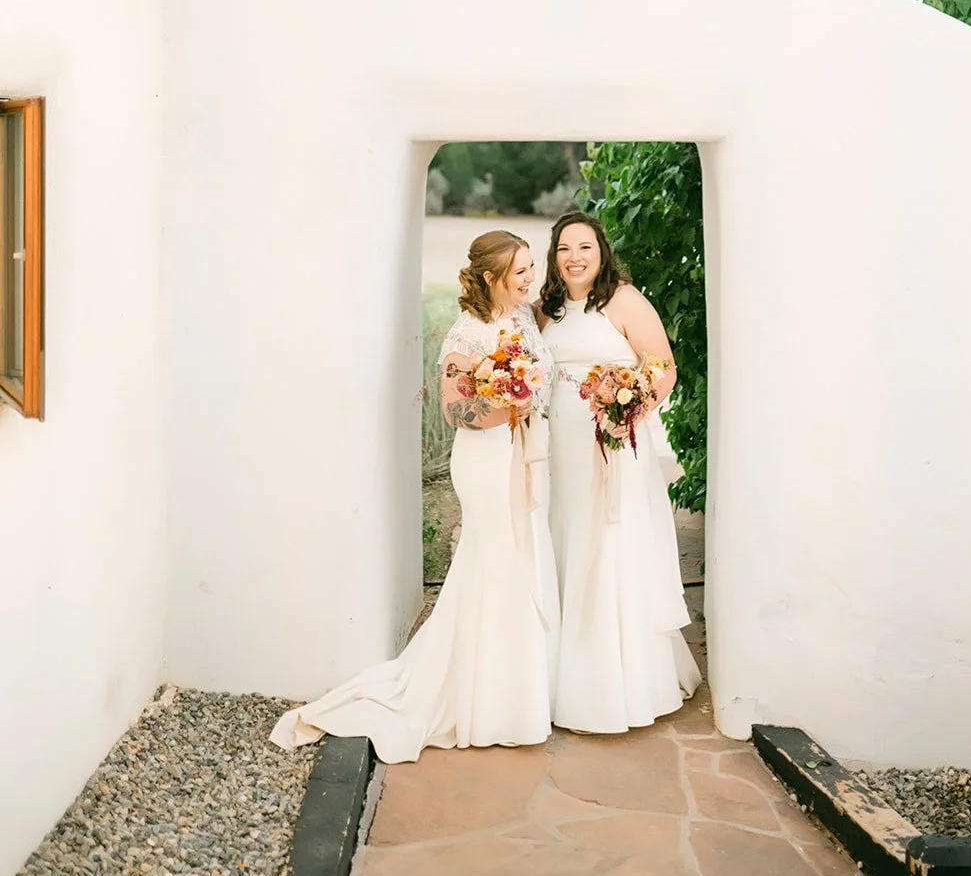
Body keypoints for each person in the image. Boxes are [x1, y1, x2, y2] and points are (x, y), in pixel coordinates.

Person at [270, 230, 559, 761]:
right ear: (491, 278)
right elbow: (454, 411)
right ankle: (480, 700)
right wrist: (508, 405)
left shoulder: (518, 319)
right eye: (521, 271)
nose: (530, 278)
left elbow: (556, 320)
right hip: (487, 462)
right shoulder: (465, 336)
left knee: (521, 562)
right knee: (493, 563)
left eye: (531, 268)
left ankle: (516, 695)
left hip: (521, 458)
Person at [537, 210, 700, 733]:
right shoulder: (549, 309)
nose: (575, 257)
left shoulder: (623, 300)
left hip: (613, 442)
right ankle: (560, 675)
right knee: (567, 538)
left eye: (584, 247)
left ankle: (618, 685)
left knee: (609, 543)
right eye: (565, 249)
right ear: (554, 257)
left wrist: (628, 409)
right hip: (561, 446)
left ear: (601, 251)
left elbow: (663, 368)